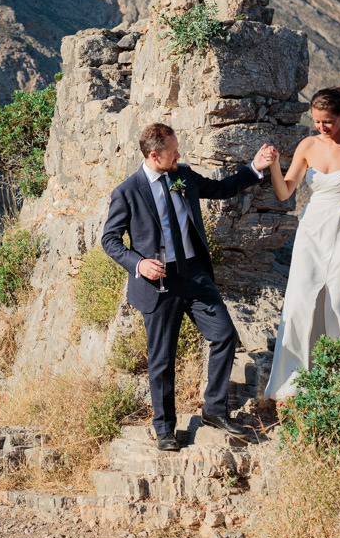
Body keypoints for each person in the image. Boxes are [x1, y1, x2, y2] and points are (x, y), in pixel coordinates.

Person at [101, 123, 276, 451]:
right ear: (154, 155)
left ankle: (213, 409)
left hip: (194, 275)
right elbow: (109, 240)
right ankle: (165, 428)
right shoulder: (128, 191)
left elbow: (222, 189)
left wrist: (254, 167)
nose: (179, 155)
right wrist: (138, 263)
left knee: (224, 335)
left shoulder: (181, 175)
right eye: (173, 151)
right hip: (158, 283)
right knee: (162, 359)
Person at [263, 87, 340, 401]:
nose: (322, 127)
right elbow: (284, 192)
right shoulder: (307, 145)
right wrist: (275, 166)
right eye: (317, 121)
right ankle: (300, 374)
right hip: (313, 229)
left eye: (328, 121)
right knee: (303, 297)